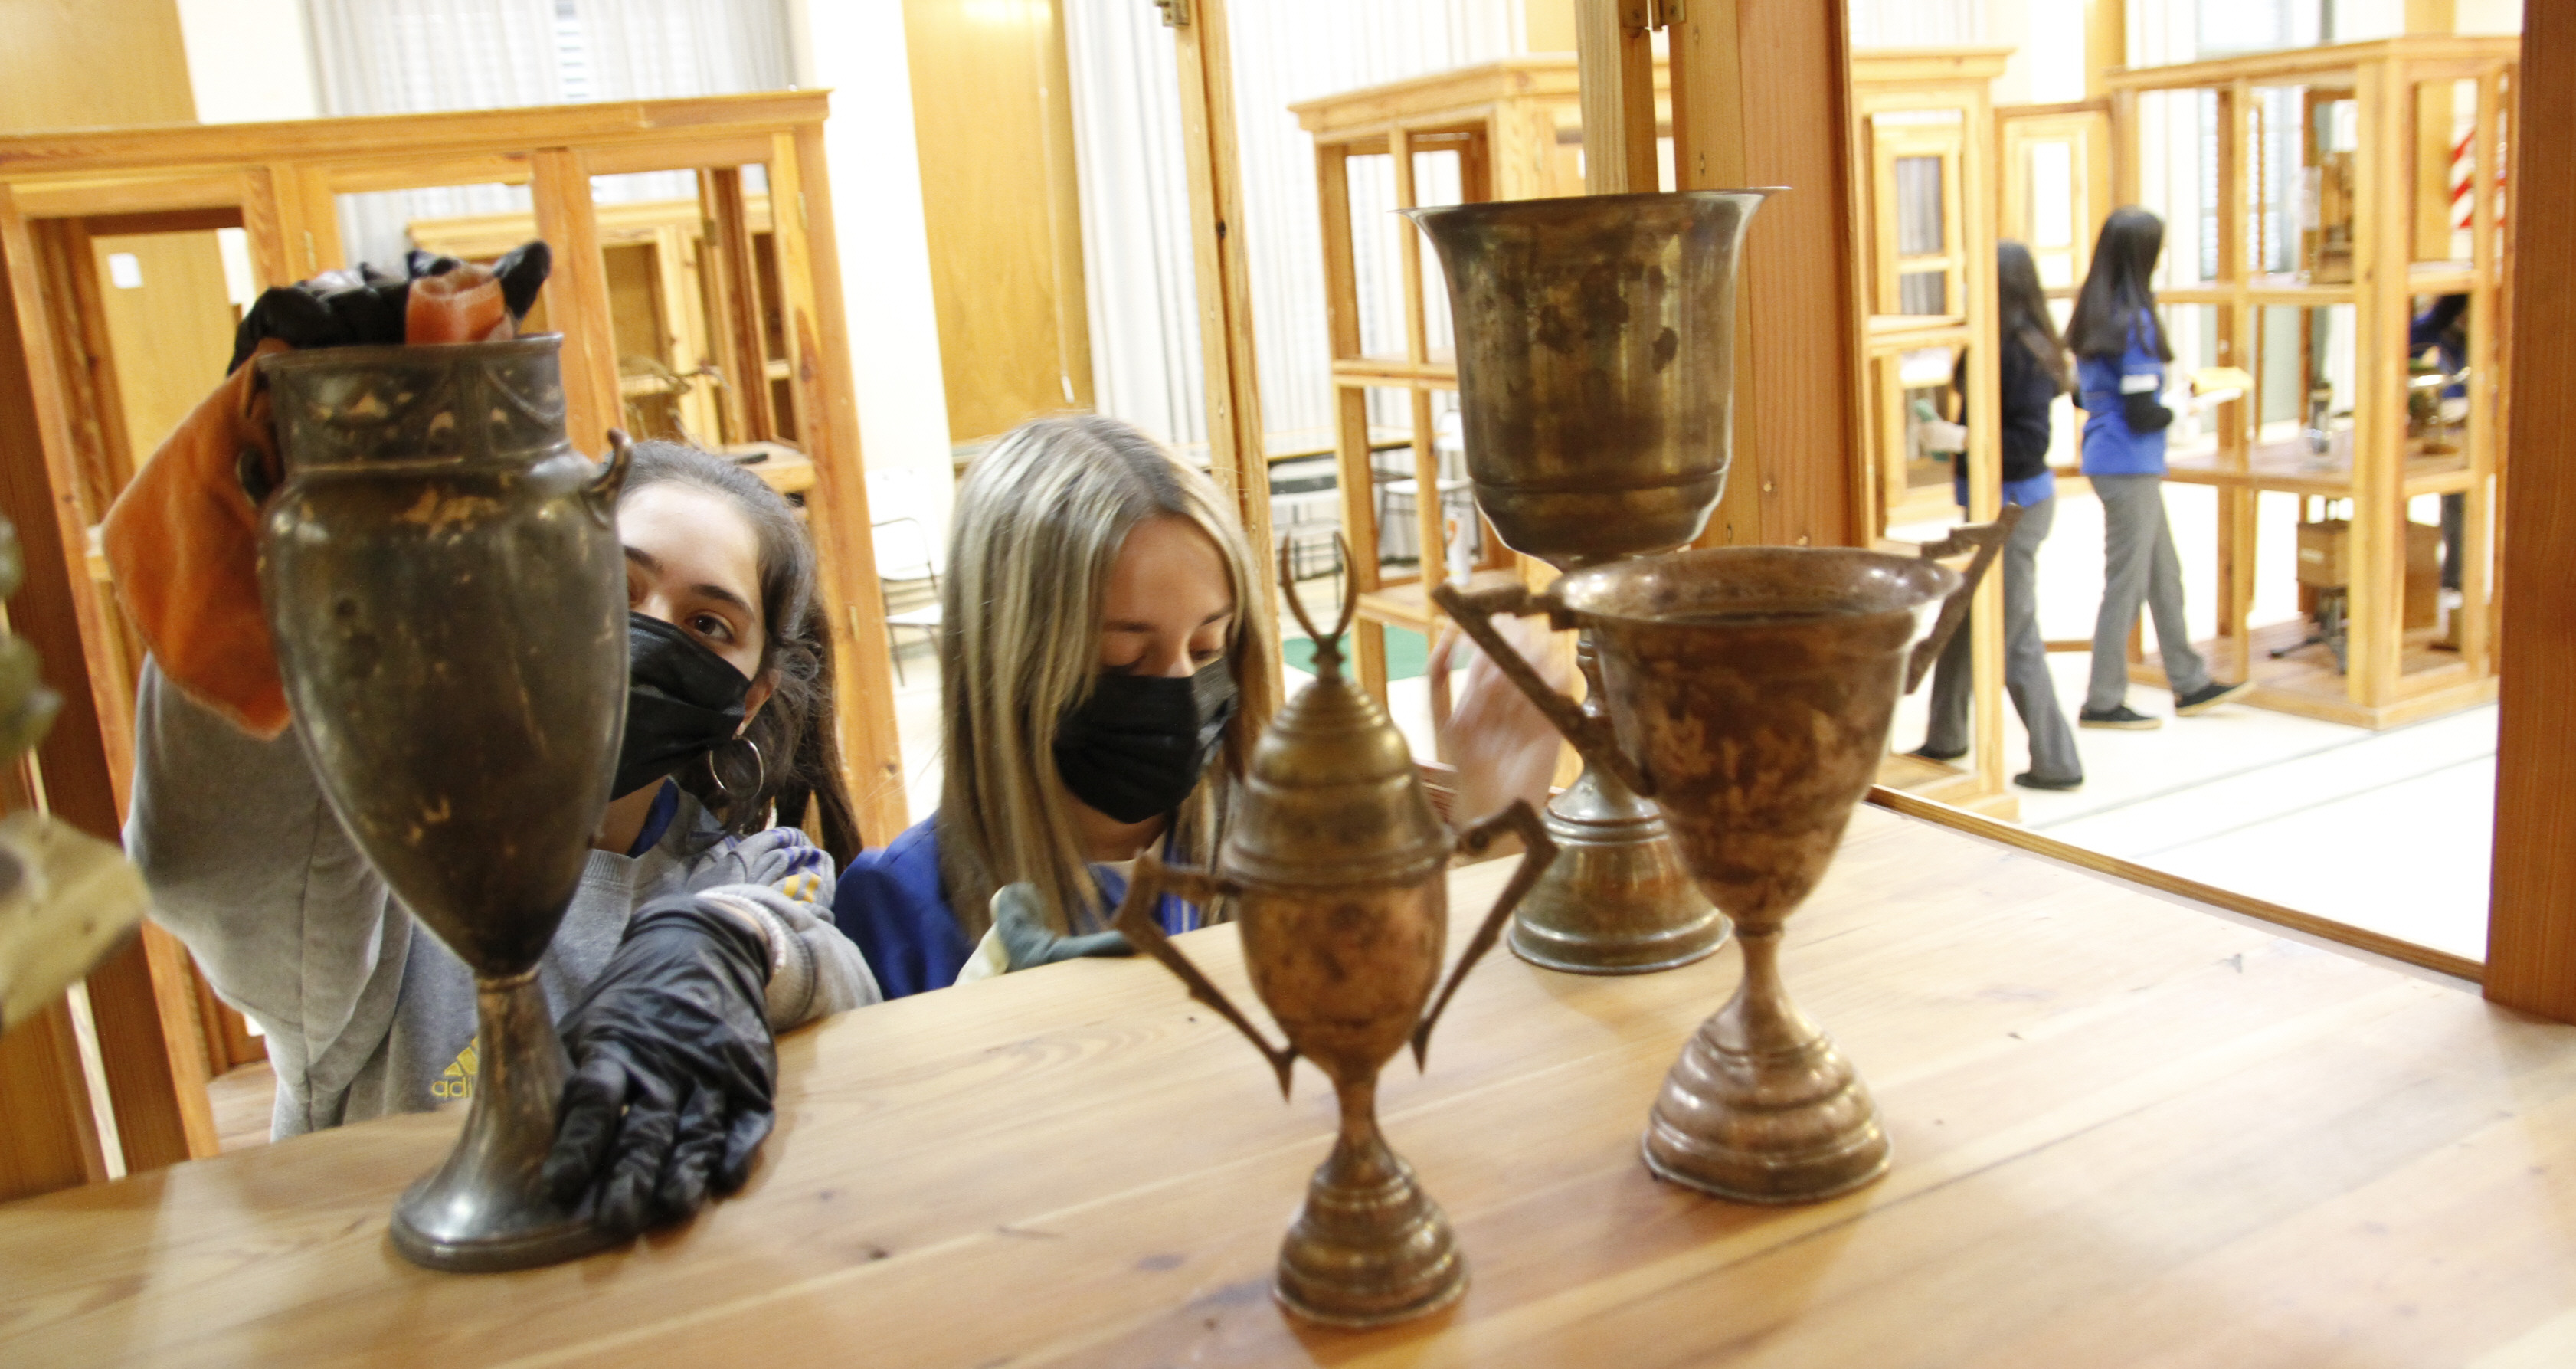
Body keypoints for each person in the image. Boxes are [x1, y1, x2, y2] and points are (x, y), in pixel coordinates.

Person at [129, 437, 880, 1237]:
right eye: (612, 584)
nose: (646, 633)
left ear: (750, 699)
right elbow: (202, 858)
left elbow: (830, 973)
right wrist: (269, 505)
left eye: (707, 623)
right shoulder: (384, 876)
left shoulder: (750, 866)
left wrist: (725, 942)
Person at [834, 414, 1277, 997]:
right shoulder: (898, 910)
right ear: (1010, 660)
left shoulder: (1283, 852)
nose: (1181, 691)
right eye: (1123, 658)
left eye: (1207, 647)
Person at [2067, 205, 2250, 729]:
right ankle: (2102, 700)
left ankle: (2189, 681)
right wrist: (2191, 403)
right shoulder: (2134, 320)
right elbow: (2144, 412)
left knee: (2163, 575)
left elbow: (2083, 394)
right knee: (2125, 584)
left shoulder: (2095, 311)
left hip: (2115, 457)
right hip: (2128, 463)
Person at [1911, 241, 2083, 791]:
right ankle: (1945, 736)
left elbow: (2027, 444)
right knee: (1958, 618)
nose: (1965, 289)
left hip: (2015, 508)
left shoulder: (2024, 352)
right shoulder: (1992, 341)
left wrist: (1963, 438)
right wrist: (1956, 441)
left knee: (2013, 637)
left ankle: (2058, 762)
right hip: (1987, 505)